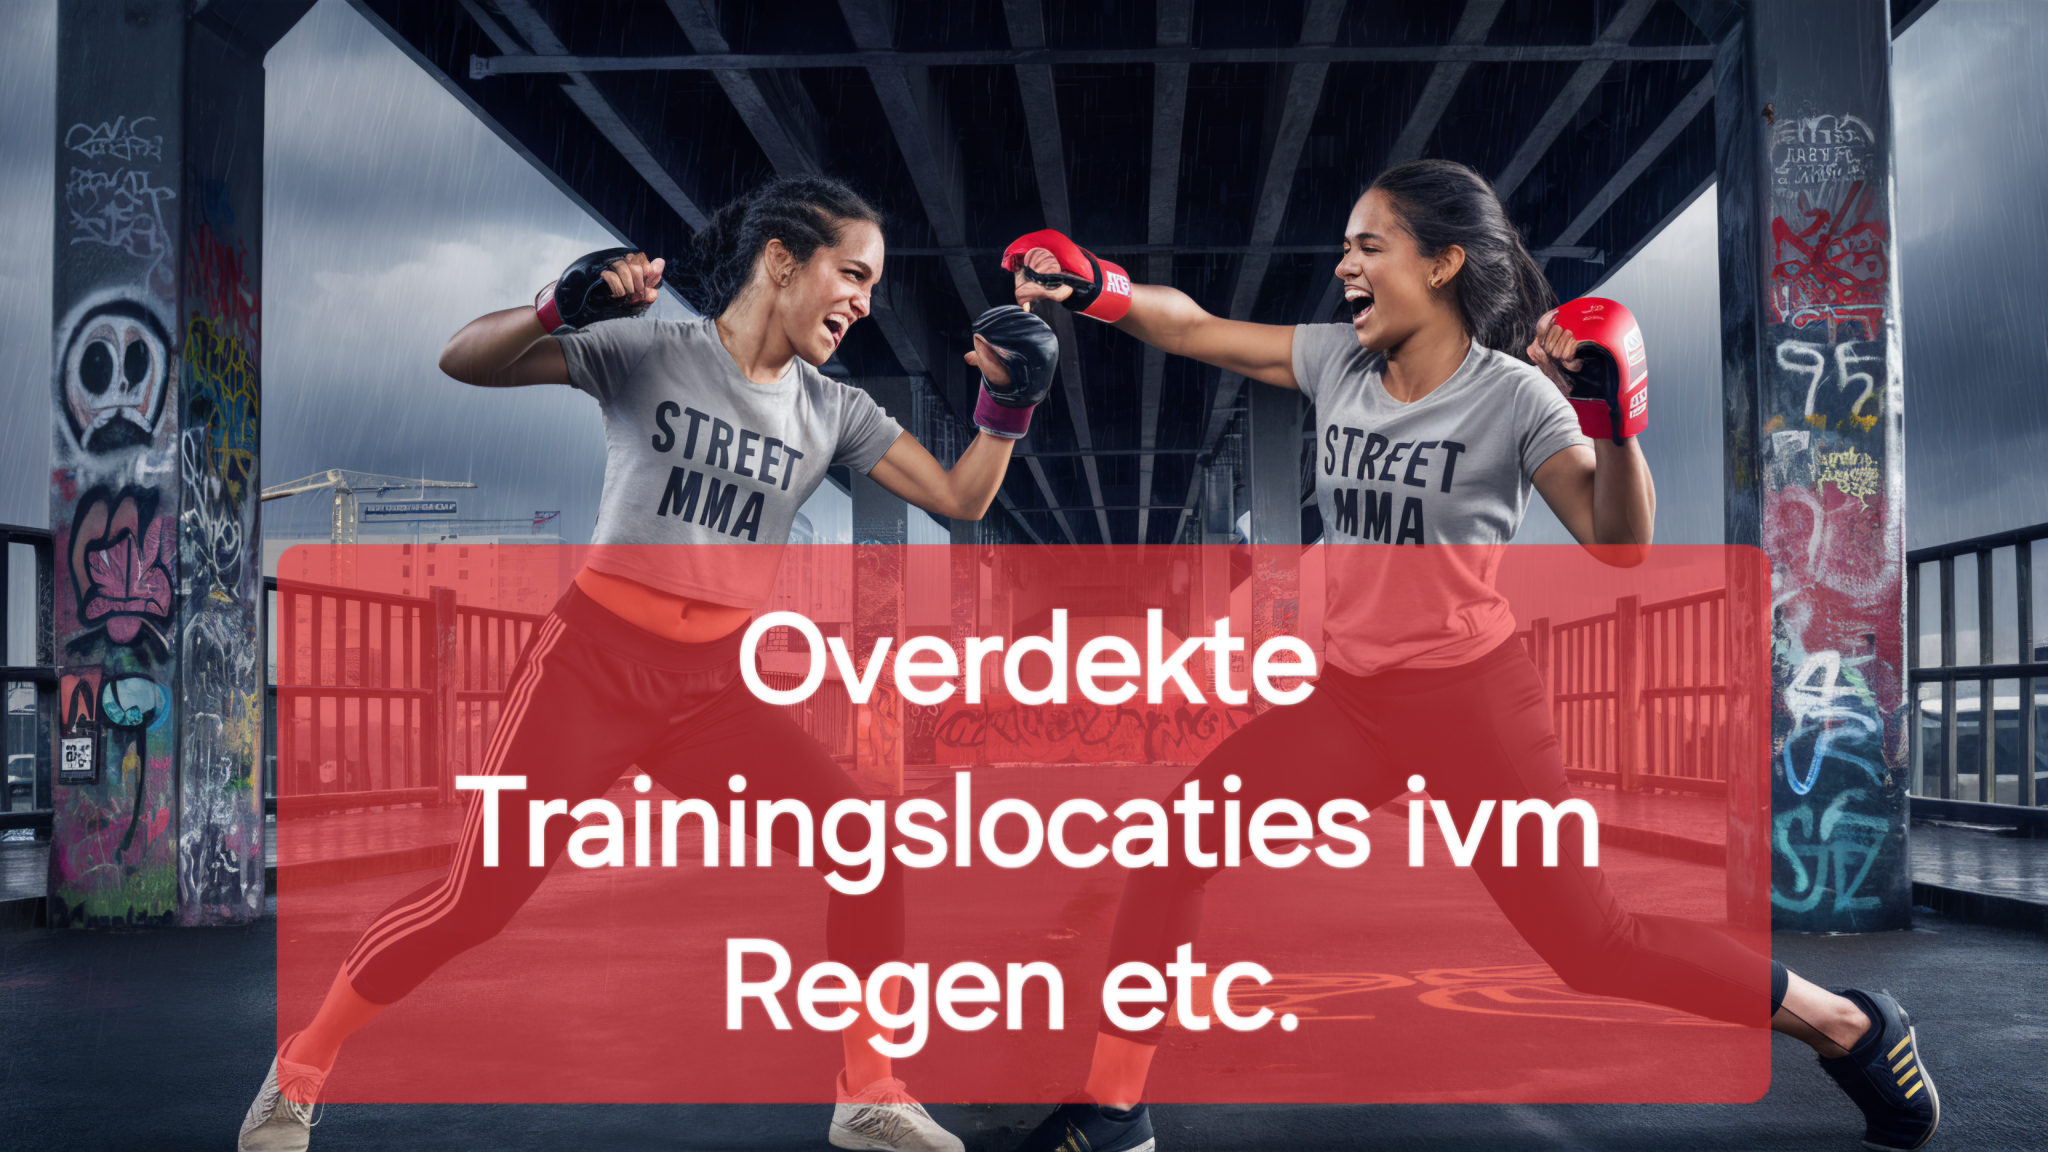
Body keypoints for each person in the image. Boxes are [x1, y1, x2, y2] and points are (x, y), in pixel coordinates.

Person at [998, 159, 1940, 1152]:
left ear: (1442, 263)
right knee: (1173, 853)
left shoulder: (1516, 399)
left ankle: (1852, 1026)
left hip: (1470, 707)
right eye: (1346, 248)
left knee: (1591, 946)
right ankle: (1111, 1112)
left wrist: (1615, 426)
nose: (1343, 267)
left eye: (1369, 248)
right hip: (1350, 705)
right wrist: (1097, 286)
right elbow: (1188, 326)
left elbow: (1617, 541)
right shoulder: (1336, 363)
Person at [238, 176, 1061, 1152]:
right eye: (851, 275)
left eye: (873, 288)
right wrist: (557, 304)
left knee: (866, 850)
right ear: (781, 262)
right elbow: (465, 360)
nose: (862, 304)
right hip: (587, 668)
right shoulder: (647, 352)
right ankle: (297, 1075)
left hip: (710, 691)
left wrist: (1009, 406)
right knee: (475, 902)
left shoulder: (832, 411)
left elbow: (962, 499)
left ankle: (867, 1091)